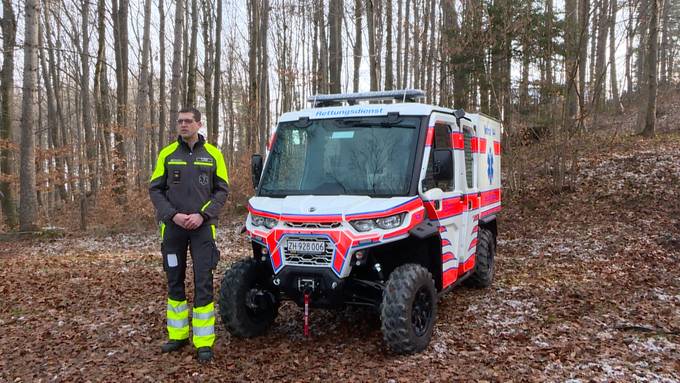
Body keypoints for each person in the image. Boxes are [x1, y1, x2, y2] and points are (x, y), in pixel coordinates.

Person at [149, 107, 229, 362]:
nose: (183, 125)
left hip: (202, 229)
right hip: (173, 228)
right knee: (175, 279)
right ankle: (178, 335)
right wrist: (172, 215)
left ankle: (203, 341)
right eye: (180, 121)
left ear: (199, 124)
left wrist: (202, 215)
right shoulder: (167, 154)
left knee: (203, 281)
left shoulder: (213, 154)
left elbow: (221, 191)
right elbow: (155, 190)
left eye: (188, 121)